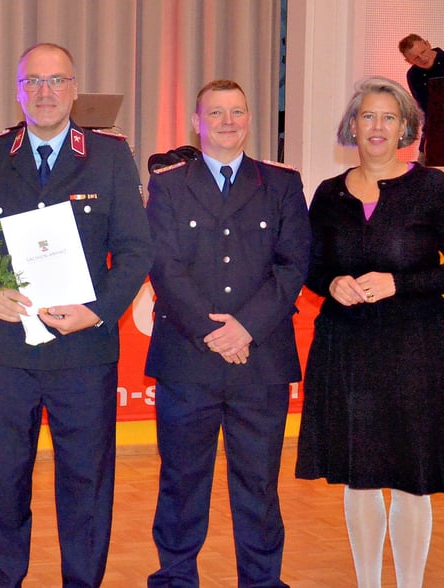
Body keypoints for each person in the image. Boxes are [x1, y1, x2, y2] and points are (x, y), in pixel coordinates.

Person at [0, 43, 153, 586]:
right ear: (18, 91)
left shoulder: (109, 155)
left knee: (86, 485)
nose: (44, 92)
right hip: (7, 353)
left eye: (56, 81)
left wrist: (98, 311)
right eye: (33, 82)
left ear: (75, 90)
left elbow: (136, 249)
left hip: (84, 353)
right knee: (2, 482)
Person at [145, 79, 311, 587]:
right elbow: (164, 266)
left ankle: (262, 581)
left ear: (249, 118)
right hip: (188, 358)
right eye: (215, 113)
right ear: (197, 121)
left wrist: (245, 329)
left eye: (236, 112)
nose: (227, 122)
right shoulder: (169, 186)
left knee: (259, 483)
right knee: (180, 481)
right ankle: (175, 578)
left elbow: (293, 264)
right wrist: (215, 332)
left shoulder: (281, 184)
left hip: (259, 360)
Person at [296, 76, 444, 588]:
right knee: (357, 477)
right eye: (367, 116)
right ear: (352, 126)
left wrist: (398, 283)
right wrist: (331, 282)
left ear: (406, 127)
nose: (376, 127)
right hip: (346, 349)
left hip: (414, 350)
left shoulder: (433, 188)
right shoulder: (328, 194)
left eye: (388, 117)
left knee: (411, 480)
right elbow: (310, 267)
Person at [398, 34, 444, 163]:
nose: (422, 58)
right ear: (409, 61)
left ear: (428, 44)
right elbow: (425, 111)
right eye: (416, 58)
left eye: (423, 52)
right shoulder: (413, 75)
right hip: (433, 139)